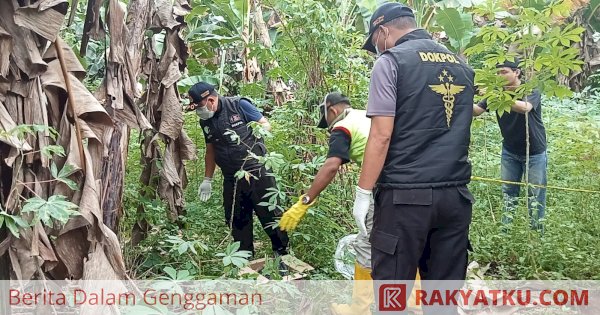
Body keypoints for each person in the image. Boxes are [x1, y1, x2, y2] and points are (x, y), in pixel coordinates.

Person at [353, 1, 476, 287]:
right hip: (455, 197)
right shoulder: (462, 66)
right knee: (441, 296)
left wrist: (363, 193)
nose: (378, 51)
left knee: (392, 295)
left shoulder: (392, 61)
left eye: (375, 43)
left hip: (405, 199)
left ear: (382, 31)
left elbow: (381, 135)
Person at [279, 92, 375, 314]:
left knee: (366, 243)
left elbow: (332, 165)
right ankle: (415, 305)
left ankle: (359, 309)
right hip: (414, 182)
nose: (329, 126)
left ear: (332, 110)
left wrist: (305, 201)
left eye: (328, 120)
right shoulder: (366, 116)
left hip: (386, 186)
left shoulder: (343, 126)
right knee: (407, 241)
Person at [187, 82, 289, 257]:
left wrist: (257, 133)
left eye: (199, 107)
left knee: (270, 214)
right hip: (231, 178)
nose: (198, 111)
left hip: (257, 172)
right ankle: (244, 258)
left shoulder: (239, 105)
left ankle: (282, 253)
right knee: (236, 219)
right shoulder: (206, 121)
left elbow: (265, 124)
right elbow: (210, 150)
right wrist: (207, 179)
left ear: (211, 100)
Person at [473, 59, 547, 231]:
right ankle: (505, 234)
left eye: (504, 72)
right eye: (497, 73)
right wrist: (458, 98)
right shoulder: (496, 92)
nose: (500, 76)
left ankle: (536, 235)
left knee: (535, 195)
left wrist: (495, 96)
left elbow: (525, 107)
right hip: (510, 150)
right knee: (508, 193)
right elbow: (477, 111)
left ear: (517, 72)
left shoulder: (529, 88)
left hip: (534, 151)